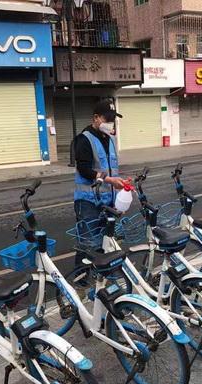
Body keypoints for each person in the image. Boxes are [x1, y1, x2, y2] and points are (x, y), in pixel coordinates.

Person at [72, 99, 128, 264]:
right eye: (107, 118)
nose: (110, 123)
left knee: (107, 243)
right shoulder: (84, 139)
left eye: (112, 119)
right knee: (88, 245)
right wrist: (109, 180)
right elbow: (84, 169)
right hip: (88, 201)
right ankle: (82, 277)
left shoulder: (111, 139)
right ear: (96, 118)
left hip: (108, 201)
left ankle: (101, 275)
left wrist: (120, 186)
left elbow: (112, 169)